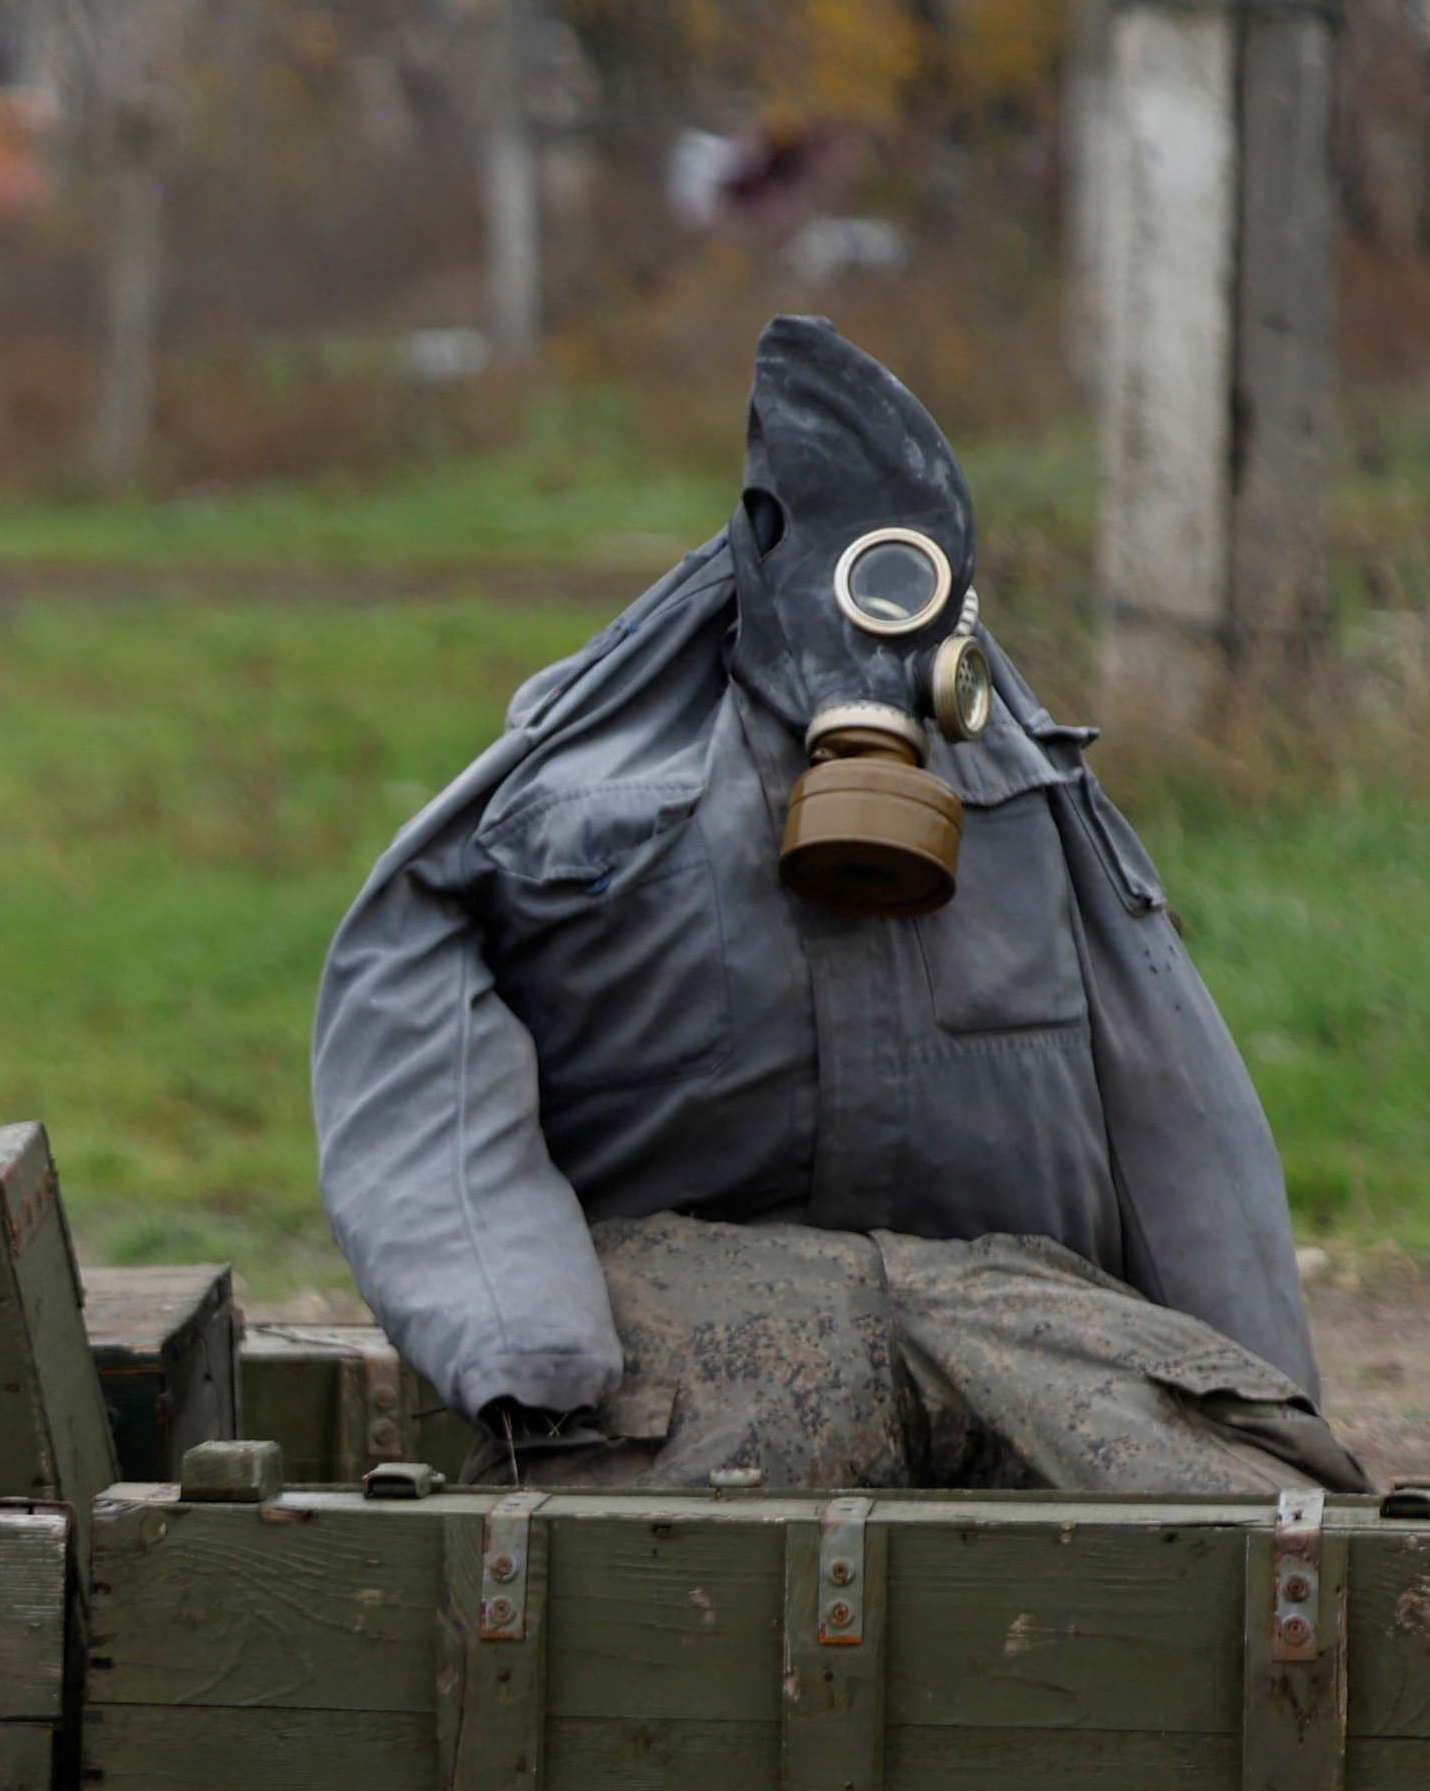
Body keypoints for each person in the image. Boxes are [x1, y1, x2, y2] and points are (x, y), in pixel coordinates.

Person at [308, 317, 1360, 1495]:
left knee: (1261, 1536)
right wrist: (524, 1338)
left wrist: (1250, 1389)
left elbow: (1172, 1086)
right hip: (686, 1335)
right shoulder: (589, 788)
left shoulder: (1017, 788)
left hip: (1018, 1325)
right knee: (612, 1581)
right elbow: (411, 1005)